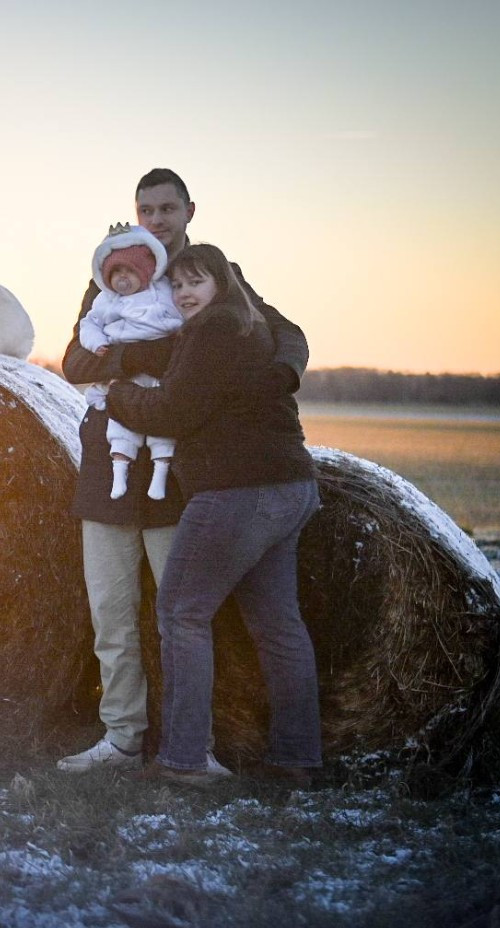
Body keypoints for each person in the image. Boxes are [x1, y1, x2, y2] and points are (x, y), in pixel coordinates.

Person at [56, 168, 309, 773]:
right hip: (109, 470)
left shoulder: (210, 276)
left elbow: (286, 333)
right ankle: (120, 739)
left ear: (190, 211)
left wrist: (280, 378)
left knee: (187, 618)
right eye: (147, 210)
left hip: (180, 474)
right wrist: (145, 355)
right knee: (112, 619)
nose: (158, 220)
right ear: (136, 214)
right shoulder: (112, 273)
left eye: (168, 208)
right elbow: (73, 362)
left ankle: (195, 744)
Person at [107, 243, 322, 787]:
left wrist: (119, 396)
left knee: (181, 612)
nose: (183, 294)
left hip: (237, 490)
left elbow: (175, 410)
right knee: (278, 625)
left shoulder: (213, 329)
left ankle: (183, 760)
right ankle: (296, 757)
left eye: (195, 283)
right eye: (177, 286)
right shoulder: (247, 325)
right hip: (290, 486)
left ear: (221, 284)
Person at [77, 223, 181, 502]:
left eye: (129, 271)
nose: (122, 278)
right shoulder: (105, 300)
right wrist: (97, 343)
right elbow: (87, 326)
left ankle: (160, 476)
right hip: (123, 375)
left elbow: (180, 321)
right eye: (116, 272)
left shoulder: (165, 293)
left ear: (146, 273)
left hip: (157, 380)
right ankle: (119, 474)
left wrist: (173, 343)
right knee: (120, 427)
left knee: (162, 430)